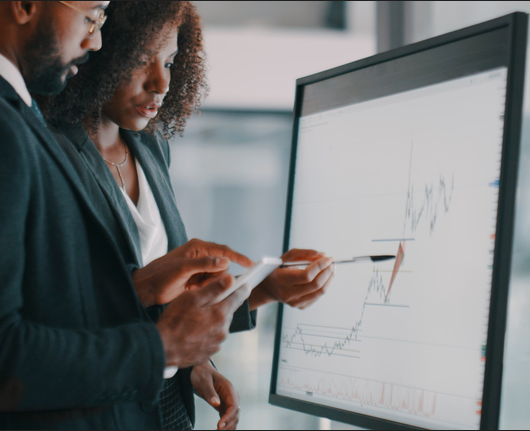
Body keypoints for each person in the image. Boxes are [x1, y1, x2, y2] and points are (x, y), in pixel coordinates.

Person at [0, 2, 254, 429]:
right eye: (92, 14)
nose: (97, 40)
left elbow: (21, 306)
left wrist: (145, 288)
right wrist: (161, 347)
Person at [38, 2, 337, 429]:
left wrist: (260, 294)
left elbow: (168, 304)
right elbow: (69, 313)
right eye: (142, 59)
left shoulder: (151, 148)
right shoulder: (49, 155)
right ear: (99, 50)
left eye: (171, 61)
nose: (161, 82)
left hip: (169, 414)